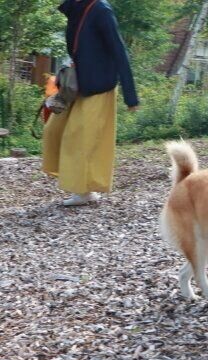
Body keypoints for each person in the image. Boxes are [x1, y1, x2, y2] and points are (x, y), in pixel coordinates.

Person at [43, 0, 139, 206]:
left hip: (98, 86)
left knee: (79, 137)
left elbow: (120, 52)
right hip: (76, 85)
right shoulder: (75, 8)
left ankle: (84, 191)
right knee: (53, 129)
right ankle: (76, 180)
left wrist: (130, 96)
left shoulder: (101, 10)